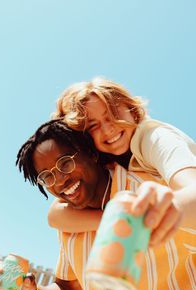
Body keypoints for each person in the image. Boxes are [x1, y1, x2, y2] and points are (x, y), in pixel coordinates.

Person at [0, 119, 196, 290]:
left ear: (91, 153)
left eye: (65, 163)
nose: (60, 181)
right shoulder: (69, 227)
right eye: (47, 177)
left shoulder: (146, 186)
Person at [48, 77, 196, 248]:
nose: (108, 129)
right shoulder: (106, 161)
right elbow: (55, 215)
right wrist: (116, 218)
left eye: (113, 114)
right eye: (93, 126)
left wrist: (163, 210)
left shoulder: (155, 137)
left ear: (132, 110)